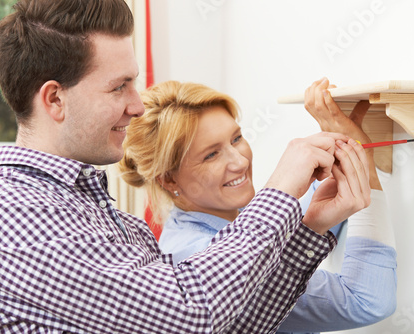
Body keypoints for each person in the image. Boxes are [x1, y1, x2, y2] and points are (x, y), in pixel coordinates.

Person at [0, 0, 372, 332]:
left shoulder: (102, 217)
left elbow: (229, 324)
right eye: (118, 87)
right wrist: (280, 190)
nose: (136, 105)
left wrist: (310, 227)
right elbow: (192, 314)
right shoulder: (15, 218)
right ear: (54, 100)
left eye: (133, 84)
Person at [119, 80, 397, 334]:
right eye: (211, 154)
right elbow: (366, 301)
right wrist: (364, 163)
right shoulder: (197, 255)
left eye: (236, 138)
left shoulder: (227, 217)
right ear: (168, 179)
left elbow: (306, 213)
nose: (239, 162)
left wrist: (345, 150)